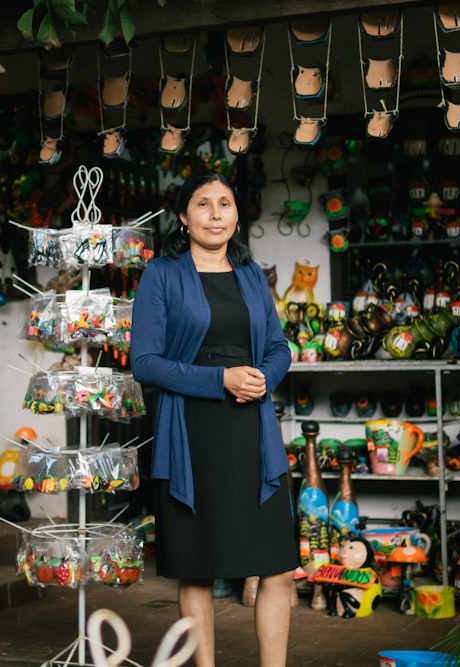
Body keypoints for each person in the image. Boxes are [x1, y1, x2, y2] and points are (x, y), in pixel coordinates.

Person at [130, 169, 298, 667]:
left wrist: (265, 376)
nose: (216, 214)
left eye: (224, 204)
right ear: (183, 217)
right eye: (203, 205)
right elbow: (145, 362)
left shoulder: (250, 274)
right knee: (198, 569)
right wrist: (219, 380)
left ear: (236, 214)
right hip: (192, 435)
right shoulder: (161, 273)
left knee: (278, 569)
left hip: (252, 432)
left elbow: (277, 346)